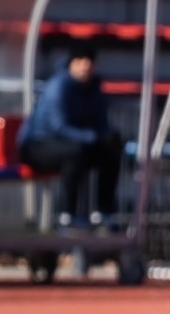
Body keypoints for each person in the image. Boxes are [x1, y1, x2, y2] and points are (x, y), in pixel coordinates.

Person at [18, 40, 124, 231]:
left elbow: (101, 125)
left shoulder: (95, 89)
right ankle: (69, 215)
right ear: (71, 63)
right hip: (37, 145)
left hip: (75, 144)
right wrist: (93, 137)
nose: (86, 65)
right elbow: (59, 127)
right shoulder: (58, 86)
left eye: (90, 61)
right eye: (80, 60)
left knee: (111, 152)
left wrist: (107, 138)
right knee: (75, 153)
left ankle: (104, 213)